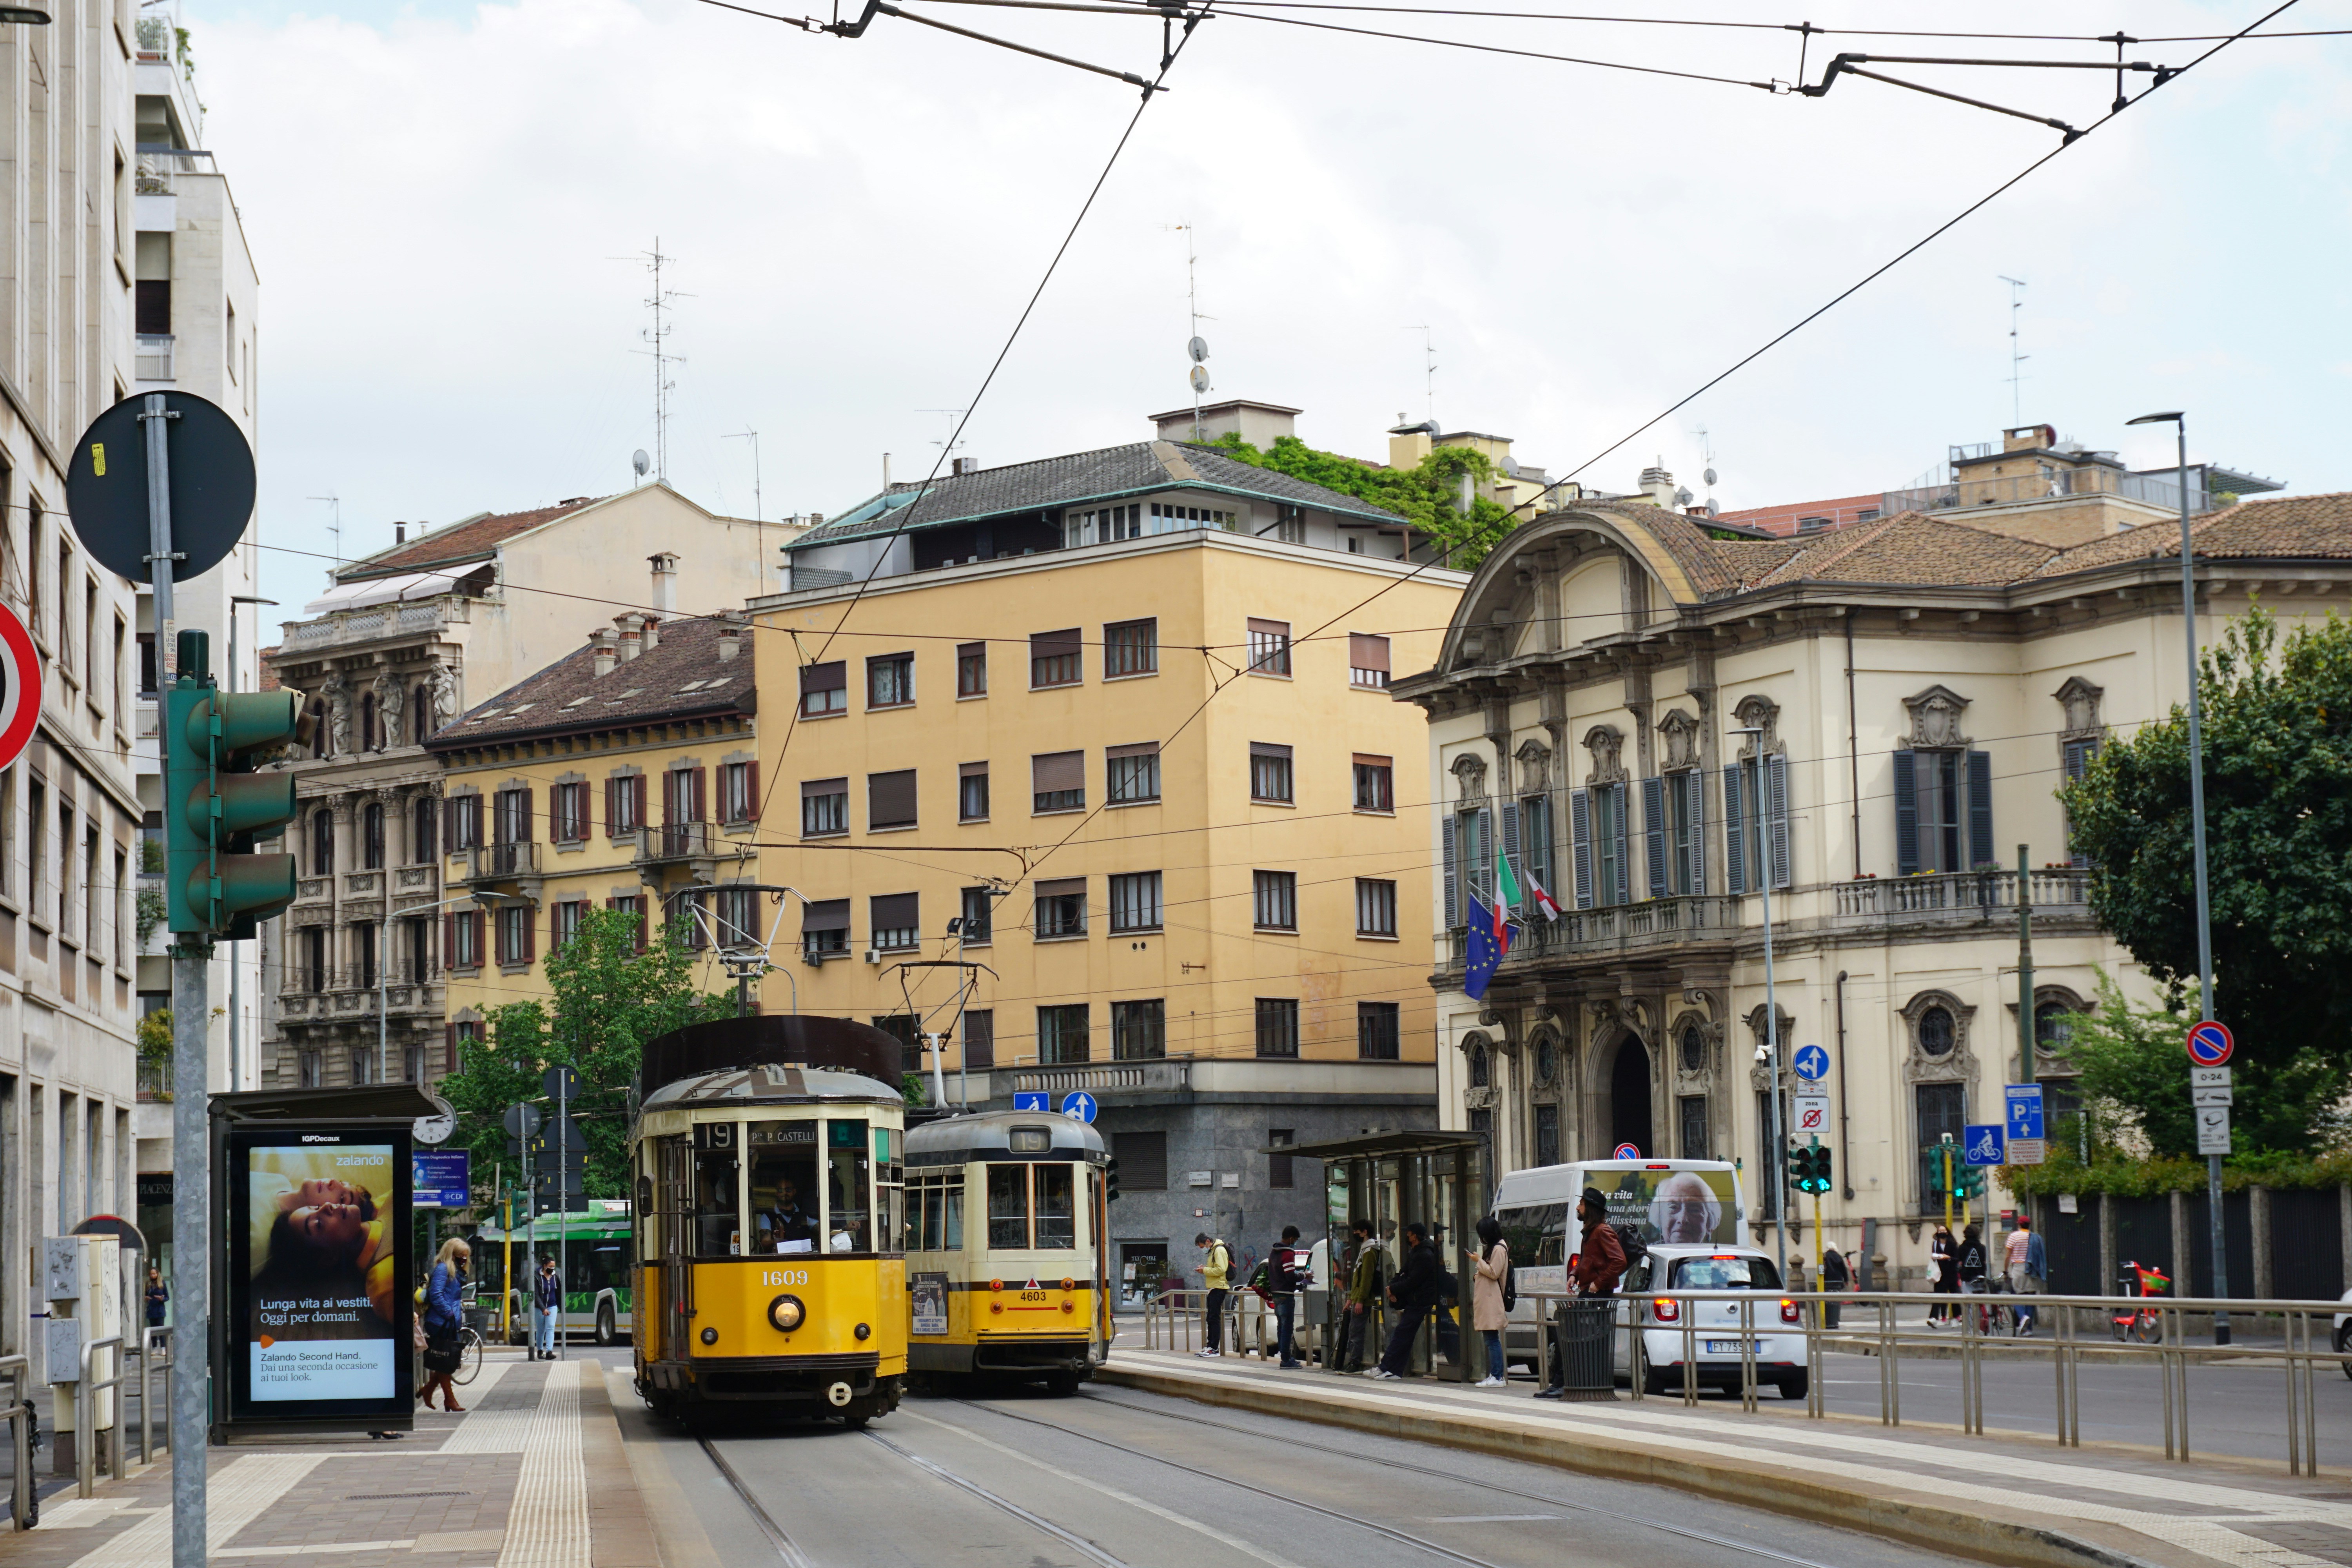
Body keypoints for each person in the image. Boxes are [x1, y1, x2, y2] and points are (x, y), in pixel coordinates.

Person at [1535, 1188, 1627, 1400]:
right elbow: (1587, 1260)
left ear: (1591, 1209)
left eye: (1582, 1204)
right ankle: (1561, 1384)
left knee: (1571, 1339)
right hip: (1588, 1295)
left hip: (1597, 1297)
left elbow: (1619, 1261)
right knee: (1569, 1338)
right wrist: (1574, 1274)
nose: (1578, 1207)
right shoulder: (1590, 1231)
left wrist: (1599, 1282)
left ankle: (1563, 1384)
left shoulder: (1602, 1231)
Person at [1369, 1222, 1442, 1380]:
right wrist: (1392, 1288)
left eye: (1408, 1234)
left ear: (1415, 1236)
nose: (1406, 1237)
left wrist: (1393, 1290)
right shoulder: (1416, 1252)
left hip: (1420, 1301)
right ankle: (1393, 1370)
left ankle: (1388, 1368)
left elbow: (1413, 1281)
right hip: (1414, 1300)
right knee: (1404, 1335)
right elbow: (1403, 1273)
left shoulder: (1425, 1255)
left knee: (1402, 1334)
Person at [418, 1240, 470, 1413]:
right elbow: (436, 1294)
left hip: (447, 1321)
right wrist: (449, 1313)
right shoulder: (443, 1269)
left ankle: (428, 1391)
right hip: (440, 1322)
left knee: (445, 1359)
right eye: (461, 1255)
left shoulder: (455, 1271)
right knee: (445, 1361)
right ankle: (449, 1399)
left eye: (466, 1256)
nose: (464, 1258)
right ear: (451, 1253)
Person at [1469, 1216, 1510, 1388]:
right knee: (1490, 1338)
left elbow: (1494, 1273)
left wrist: (1478, 1261)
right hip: (1488, 1299)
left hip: (1492, 1300)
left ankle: (1497, 1376)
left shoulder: (1499, 1248)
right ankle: (1495, 1375)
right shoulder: (1494, 1248)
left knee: (1492, 1339)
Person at [1341, 1220, 1382, 1372]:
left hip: (1362, 1300)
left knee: (1356, 1333)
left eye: (1357, 1232)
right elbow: (1358, 1278)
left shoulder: (1370, 1251)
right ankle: (1354, 1361)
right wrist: (1352, 1298)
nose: (1355, 1234)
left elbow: (1366, 1278)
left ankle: (1355, 1363)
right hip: (1358, 1298)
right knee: (1354, 1331)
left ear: (1365, 1233)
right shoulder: (1365, 1249)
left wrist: (1360, 1300)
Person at [1267, 1225, 1308, 1370]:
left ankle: (1286, 1357)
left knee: (1281, 1327)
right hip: (1286, 1295)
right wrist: (1304, 1275)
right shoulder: (1288, 1254)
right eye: (1295, 1240)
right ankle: (1286, 1359)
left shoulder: (1274, 1252)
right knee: (1287, 1328)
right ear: (1291, 1238)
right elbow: (1290, 1276)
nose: (1295, 1242)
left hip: (1276, 1295)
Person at [1650, 1172, 1721, 1245]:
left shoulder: (1716, 1255)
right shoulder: (1646, 1255)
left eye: (1695, 1210)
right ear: (1660, 1220)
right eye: (1673, 1208)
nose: (1683, 1219)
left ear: (1709, 1225)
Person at [1196, 1233, 1234, 1358]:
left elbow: (1221, 1269)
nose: (1203, 1250)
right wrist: (1206, 1268)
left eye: (1202, 1247)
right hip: (1214, 1288)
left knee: (1214, 1318)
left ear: (1208, 1242)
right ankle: (1210, 1345)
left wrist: (1205, 1270)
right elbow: (1216, 1268)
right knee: (1211, 1318)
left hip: (1219, 1288)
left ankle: (1214, 1348)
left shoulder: (1219, 1250)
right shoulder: (1213, 1251)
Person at [2006, 1215, 2045, 1335]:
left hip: (2018, 1268)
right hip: (2033, 1269)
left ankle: (2023, 1317)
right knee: (2031, 1296)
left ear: (2019, 1225)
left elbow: (2008, 1255)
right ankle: (2028, 1330)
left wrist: (2005, 1270)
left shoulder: (2014, 1236)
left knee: (2016, 1296)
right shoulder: (2036, 1238)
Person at [532, 1255, 564, 1360]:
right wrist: (543, 1309)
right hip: (540, 1308)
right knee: (541, 1329)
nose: (552, 1268)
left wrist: (561, 1307)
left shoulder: (555, 1277)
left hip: (552, 1306)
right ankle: (540, 1350)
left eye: (554, 1266)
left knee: (550, 1328)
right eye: (550, 1266)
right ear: (545, 1266)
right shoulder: (537, 1277)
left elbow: (559, 1292)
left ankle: (549, 1351)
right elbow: (536, 1295)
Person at [1927, 1225, 1958, 1325]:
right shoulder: (1935, 1244)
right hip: (1940, 1274)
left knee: (1954, 1296)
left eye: (1944, 1231)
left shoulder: (1953, 1244)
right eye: (1940, 1231)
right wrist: (1934, 1257)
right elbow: (1934, 1255)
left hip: (1952, 1273)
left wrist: (1948, 1257)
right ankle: (1934, 1318)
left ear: (1947, 1233)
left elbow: (1957, 1259)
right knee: (1938, 1295)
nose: (1942, 1232)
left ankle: (1956, 1317)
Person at [1818, 1245, 1849, 1330]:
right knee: (1836, 1300)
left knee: (1827, 1299)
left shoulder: (1824, 1256)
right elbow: (1844, 1269)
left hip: (1827, 1280)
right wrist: (1846, 1280)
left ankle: (1827, 1318)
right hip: (1838, 1280)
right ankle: (1835, 1318)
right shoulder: (1839, 1257)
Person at [145, 1267, 168, 1334]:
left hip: (160, 1311)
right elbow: (146, 1295)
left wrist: (162, 1299)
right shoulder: (148, 1284)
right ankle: (154, 1344)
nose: (153, 1276)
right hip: (151, 1310)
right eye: (151, 1274)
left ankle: (163, 1344)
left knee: (161, 1332)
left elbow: (167, 1297)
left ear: (158, 1274)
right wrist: (146, 1298)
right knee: (153, 1332)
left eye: (154, 1274)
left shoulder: (162, 1283)